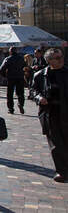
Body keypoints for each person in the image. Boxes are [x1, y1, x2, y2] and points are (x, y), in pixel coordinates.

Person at [31, 48, 68, 182]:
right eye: (57, 58)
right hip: (51, 112)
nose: (61, 59)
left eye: (61, 57)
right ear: (49, 61)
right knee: (56, 143)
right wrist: (39, 98)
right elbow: (33, 91)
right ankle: (62, 171)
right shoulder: (41, 75)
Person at [0, 47, 26, 114]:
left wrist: (5, 76)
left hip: (11, 78)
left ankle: (11, 109)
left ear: (10, 52)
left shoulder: (8, 59)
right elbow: (25, 67)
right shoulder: (21, 58)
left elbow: (1, 69)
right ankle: (21, 104)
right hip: (20, 77)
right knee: (21, 93)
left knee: (10, 94)